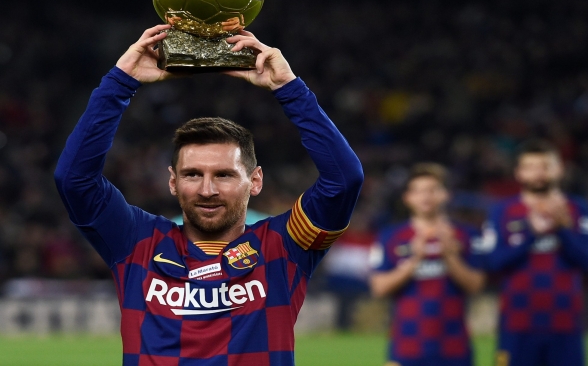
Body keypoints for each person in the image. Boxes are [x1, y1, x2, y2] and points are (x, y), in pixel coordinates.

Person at [54, 25, 364, 365]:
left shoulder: (285, 247)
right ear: (173, 182)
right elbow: (74, 179)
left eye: (224, 175)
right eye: (192, 175)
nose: (207, 190)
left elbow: (344, 180)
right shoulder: (136, 242)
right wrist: (121, 81)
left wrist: (288, 88)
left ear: (255, 181)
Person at [485, 139, 588, 366]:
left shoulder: (578, 208)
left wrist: (563, 230)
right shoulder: (503, 211)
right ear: (519, 173)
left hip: (565, 321)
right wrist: (531, 234)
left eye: (545, 166)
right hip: (517, 322)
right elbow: (493, 263)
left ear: (559, 170)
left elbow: (587, 262)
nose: (539, 173)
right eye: (531, 167)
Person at [369, 163, 486, 366]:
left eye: (432, 190)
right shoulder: (390, 237)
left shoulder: (467, 235)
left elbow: (475, 285)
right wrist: (414, 259)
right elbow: (379, 288)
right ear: (408, 197)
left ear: (446, 195)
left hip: (454, 347)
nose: (426, 197)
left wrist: (450, 256)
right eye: (419, 191)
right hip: (406, 346)